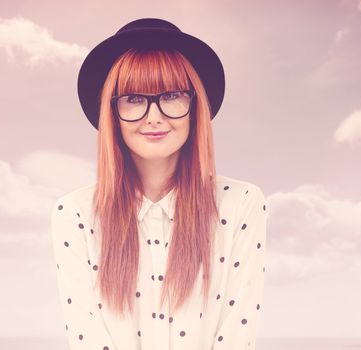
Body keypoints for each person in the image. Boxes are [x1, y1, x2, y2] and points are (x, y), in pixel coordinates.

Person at [50, 17, 268, 350]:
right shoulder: (75, 214)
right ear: (112, 112)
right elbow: (88, 338)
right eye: (134, 99)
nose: (154, 116)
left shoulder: (241, 204)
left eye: (172, 95)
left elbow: (236, 335)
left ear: (194, 106)